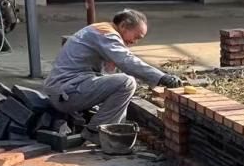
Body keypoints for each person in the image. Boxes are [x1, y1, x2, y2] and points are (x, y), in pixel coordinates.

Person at [44, 9, 182, 130]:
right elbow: (127, 61)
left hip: (64, 90)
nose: (135, 42)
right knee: (127, 83)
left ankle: (110, 126)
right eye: (136, 37)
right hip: (67, 93)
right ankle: (97, 132)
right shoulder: (107, 34)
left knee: (120, 81)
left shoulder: (100, 30)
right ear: (123, 26)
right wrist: (161, 77)